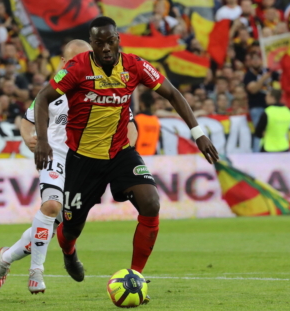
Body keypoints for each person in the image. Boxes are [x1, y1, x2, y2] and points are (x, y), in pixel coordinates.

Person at [33, 16, 218, 283]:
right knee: (71, 228)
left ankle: (135, 276)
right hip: (83, 158)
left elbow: (173, 93)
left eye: (110, 42)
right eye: (99, 43)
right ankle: (69, 252)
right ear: (92, 45)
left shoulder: (134, 65)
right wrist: (42, 140)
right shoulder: (76, 68)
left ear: (118, 40)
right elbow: (42, 98)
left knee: (151, 203)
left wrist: (198, 133)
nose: (106, 48)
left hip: (120, 152)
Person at [0, 40, 139, 294]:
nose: (77, 66)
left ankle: (5, 258)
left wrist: (118, 156)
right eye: (71, 61)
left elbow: (131, 129)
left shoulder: (106, 90)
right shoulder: (53, 92)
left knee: (52, 225)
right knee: (50, 206)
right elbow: (27, 121)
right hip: (54, 156)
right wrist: (29, 139)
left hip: (86, 163)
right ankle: (36, 272)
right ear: (62, 62)